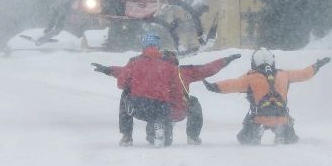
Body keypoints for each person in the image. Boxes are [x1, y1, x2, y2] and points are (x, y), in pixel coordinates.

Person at [94, 50, 241, 146]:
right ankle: (193, 137)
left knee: (132, 98)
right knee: (193, 102)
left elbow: (124, 72)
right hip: (177, 111)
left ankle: (127, 136)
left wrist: (107, 70)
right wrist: (226, 60)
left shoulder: (156, 71)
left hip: (154, 110)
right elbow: (207, 69)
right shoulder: (185, 71)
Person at [203, 48, 330, 145]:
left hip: (259, 118)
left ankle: (255, 134)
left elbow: (231, 85)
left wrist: (213, 86)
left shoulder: (250, 78)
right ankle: (283, 132)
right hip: (282, 118)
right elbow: (304, 74)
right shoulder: (284, 74)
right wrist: (317, 65)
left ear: (254, 62)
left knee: (243, 139)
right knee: (291, 138)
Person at [90, 33, 177, 147]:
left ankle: (127, 137)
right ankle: (160, 127)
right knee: (161, 139)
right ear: (158, 46)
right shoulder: (169, 63)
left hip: (140, 107)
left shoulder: (134, 62)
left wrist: (136, 84)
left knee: (125, 94)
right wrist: (108, 70)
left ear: (143, 46)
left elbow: (122, 83)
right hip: (161, 108)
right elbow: (176, 85)